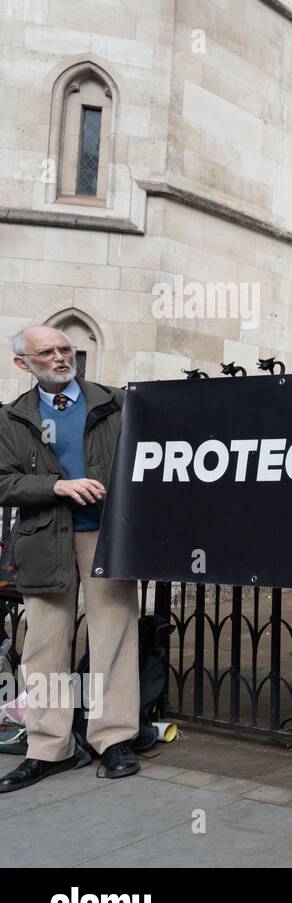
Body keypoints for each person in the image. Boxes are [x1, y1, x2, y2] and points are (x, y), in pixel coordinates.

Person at [0, 326, 141, 792]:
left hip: (107, 535)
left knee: (113, 636)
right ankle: (48, 748)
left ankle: (113, 739)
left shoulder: (117, 401)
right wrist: (56, 487)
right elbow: (3, 482)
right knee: (44, 646)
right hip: (46, 538)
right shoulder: (13, 417)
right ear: (24, 364)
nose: (61, 357)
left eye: (66, 349)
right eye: (48, 352)